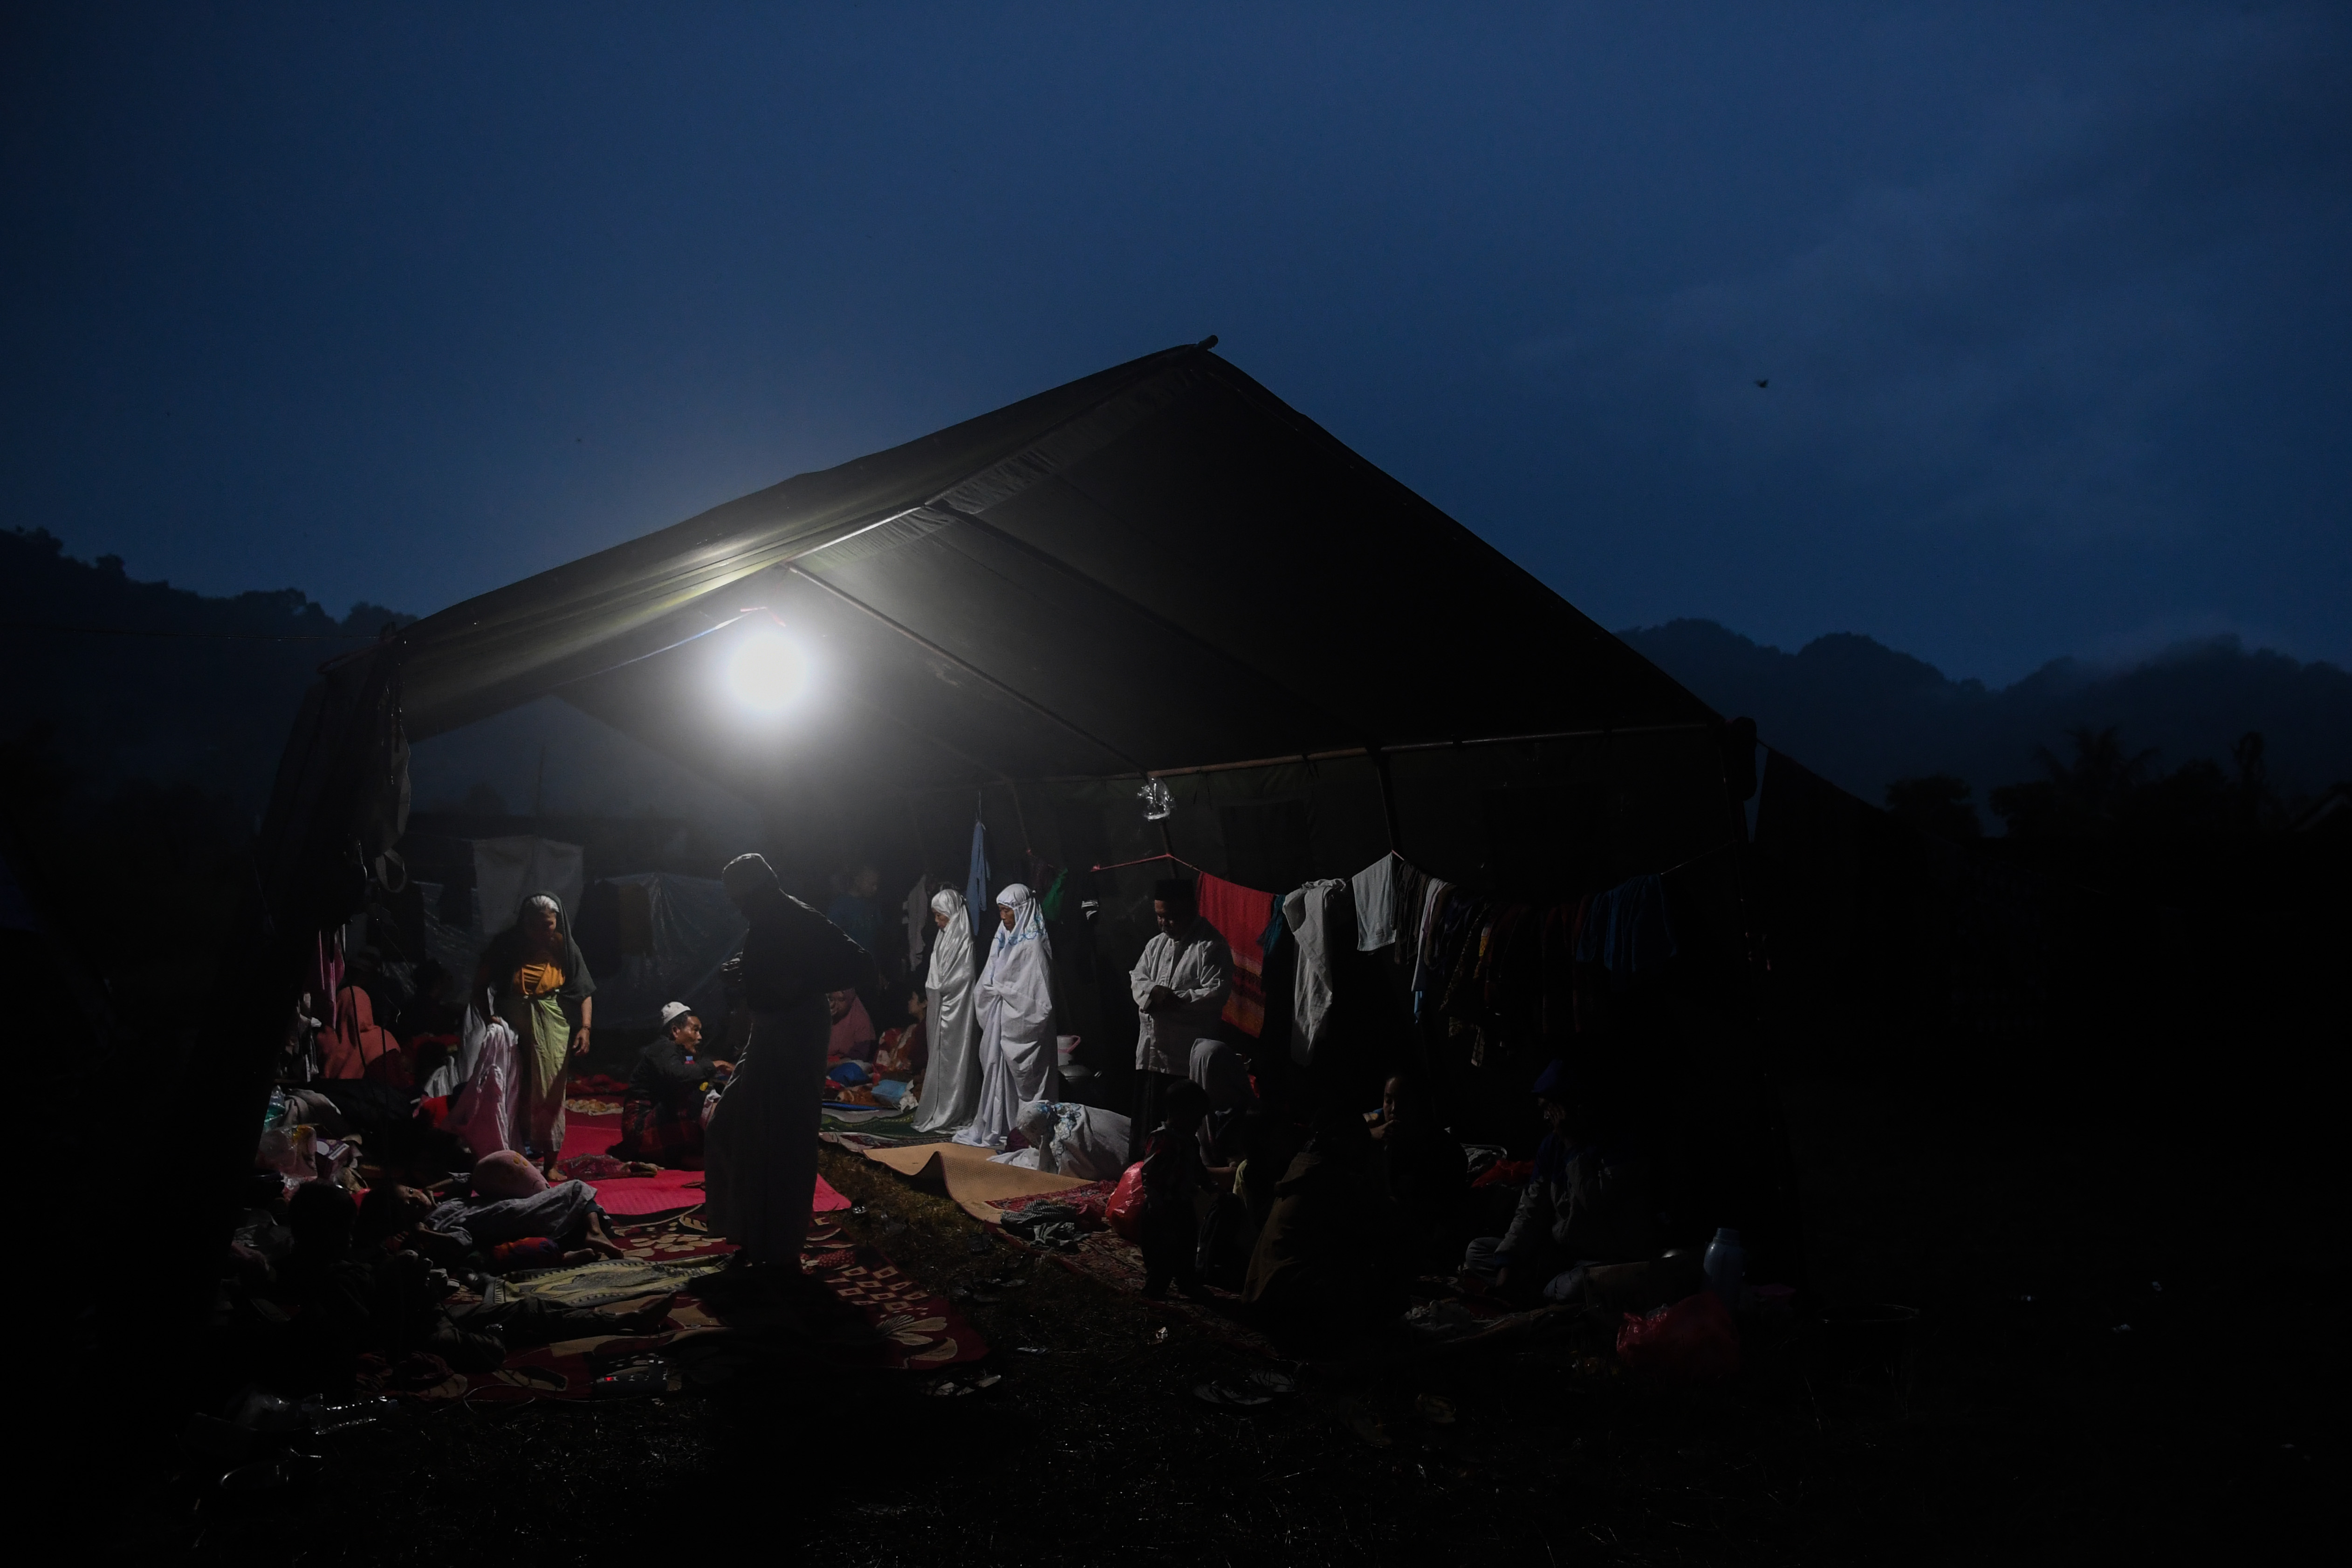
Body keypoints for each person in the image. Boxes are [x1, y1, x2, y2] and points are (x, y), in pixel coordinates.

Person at [702, 853, 878, 1267]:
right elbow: (770, 970)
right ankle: (748, 1231)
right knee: (730, 1125)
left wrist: (797, 982)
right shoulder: (764, 920)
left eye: (742, 899)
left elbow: (861, 964)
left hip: (797, 1033)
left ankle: (779, 1248)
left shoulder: (800, 917)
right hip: (767, 1032)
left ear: (761, 889)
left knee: (785, 1139)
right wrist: (749, 972)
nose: (740, 909)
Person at [1462, 1061, 1658, 1297]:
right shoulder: (1552, 1147)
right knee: (1477, 1251)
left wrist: (1573, 1147)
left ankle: (1540, 1292)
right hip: (1562, 1256)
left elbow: (1594, 1201)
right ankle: (1536, 1287)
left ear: (1574, 1106)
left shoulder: (1620, 1144)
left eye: (1551, 1109)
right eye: (1543, 1110)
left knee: (1574, 1287)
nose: (1546, 1118)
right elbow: (1530, 1211)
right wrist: (1507, 1263)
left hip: (1606, 1260)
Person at [1243, 1097, 1405, 1339]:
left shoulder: (1306, 1166)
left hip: (1266, 1293)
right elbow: (1384, 1223)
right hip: (1283, 1299)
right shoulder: (1328, 1178)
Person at [472, 892, 596, 1174]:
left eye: (549, 925)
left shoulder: (564, 948)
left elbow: (585, 991)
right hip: (512, 1021)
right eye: (535, 925)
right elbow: (480, 985)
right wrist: (488, 1018)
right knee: (510, 1084)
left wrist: (585, 1028)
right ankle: (507, 1152)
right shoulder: (506, 946)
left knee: (550, 1089)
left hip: (551, 1023)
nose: (542, 932)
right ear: (523, 923)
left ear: (558, 922)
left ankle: (550, 1163)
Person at [1126, 878, 1230, 1161]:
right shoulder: (1156, 945)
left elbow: (1216, 993)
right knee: (1148, 1127)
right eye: (1160, 916)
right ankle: (1142, 1178)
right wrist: (1152, 993)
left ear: (1191, 910)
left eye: (1171, 917)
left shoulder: (1211, 947)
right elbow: (1138, 978)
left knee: (1181, 1134)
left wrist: (1174, 1001)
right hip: (1151, 1054)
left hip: (1183, 1059)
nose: (1165, 924)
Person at [955, 884, 1062, 1149]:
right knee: (999, 1079)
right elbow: (989, 978)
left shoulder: (1034, 946)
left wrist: (1003, 992)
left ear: (1022, 911)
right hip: (1000, 1023)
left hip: (1022, 1027)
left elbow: (1039, 1001)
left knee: (1028, 1084)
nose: (1003, 918)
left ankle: (1030, 1134)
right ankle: (1004, 1128)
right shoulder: (1003, 936)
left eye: (1008, 911)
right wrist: (995, 992)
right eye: (1001, 911)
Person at [613, 1002, 732, 1167]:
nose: (700, 1037)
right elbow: (679, 1076)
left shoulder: (682, 1055)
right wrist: (716, 1065)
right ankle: (728, 1141)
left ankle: (695, 1154)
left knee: (706, 1086)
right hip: (640, 1130)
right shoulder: (663, 1049)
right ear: (676, 1031)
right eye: (695, 1030)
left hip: (656, 1127)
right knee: (696, 1091)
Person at [1369, 1073, 1467, 1272]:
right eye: (1389, 1100)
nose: (1394, 1109)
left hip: (1422, 1235)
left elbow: (1443, 1211)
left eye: (1404, 1102)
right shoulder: (1380, 1130)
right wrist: (1371, 1136)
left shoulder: (1444, 1150)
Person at [911, 888, 981, 1134]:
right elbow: (936, 973)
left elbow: (965, 977)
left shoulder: (963, 939)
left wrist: (943, 988)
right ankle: (939, 1106)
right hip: (941, 1008)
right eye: (935, 916)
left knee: (955, 1060)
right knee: (940, 1060)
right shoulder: (944, 937)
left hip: (957, 1012)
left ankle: (953, 1110)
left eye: (941, 916)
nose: (938, 922)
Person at [1138, 1079, 1214, 1299]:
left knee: (1187, 1245)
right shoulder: (1162, 1139)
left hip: (1182, 1204)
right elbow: (1150, 1175)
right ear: (1181, 1113)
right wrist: (1155, 1204)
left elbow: (1197, 1167)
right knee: (1162, 1253)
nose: (1199, 1124)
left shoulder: (1191, 1142)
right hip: (1161, 1207)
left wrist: (1208, 1184)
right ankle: (1154, 1293)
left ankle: (1187, 1282)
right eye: (1197, 1118)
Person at [989, 1098, 1133, 1179]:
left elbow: (1065, 1174)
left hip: (1129, 1161)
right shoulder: (1067, 1109)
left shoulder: (1065, 1141)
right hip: (1138, 1137)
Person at [825, 987, 877, 1062]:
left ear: (850, 999)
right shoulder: (825, 1015)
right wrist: (825, 1018)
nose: (835, 1005)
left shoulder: (860, 1019)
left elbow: (860, 1056)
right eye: (832, 999)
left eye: (841, 1000)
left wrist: (833, 1064)